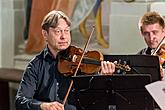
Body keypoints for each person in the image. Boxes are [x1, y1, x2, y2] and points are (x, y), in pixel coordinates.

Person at [15, 10, 116, 110]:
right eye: (58, 31)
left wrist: (102, 79)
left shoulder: (81, 63)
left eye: (67, 31)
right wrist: (43, 106)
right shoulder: (35, 65)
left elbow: (95, 100)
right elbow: (20, 101)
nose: (64, 37)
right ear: (45, 34)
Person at [137, 11, 165, 80]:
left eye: (154, 32)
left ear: (164, 30)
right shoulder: (141, 55)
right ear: (142, 33)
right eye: (146, 33)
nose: (151, 38)